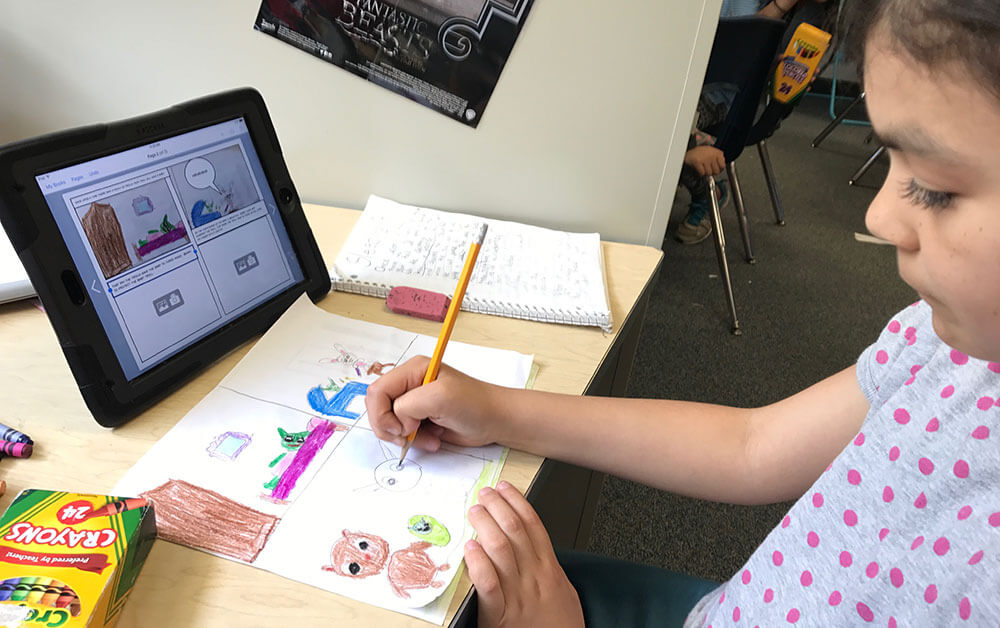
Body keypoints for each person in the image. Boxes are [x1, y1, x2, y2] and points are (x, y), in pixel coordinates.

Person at [365, 0, 1000, 624]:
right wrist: (496, 408)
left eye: (934, 187)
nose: (878, 216)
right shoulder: (945, 344)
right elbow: (754, 446)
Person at [675, 0, 822, 244]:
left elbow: (734, 50)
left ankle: (705, 188)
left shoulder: (812, 19)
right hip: (680, 77)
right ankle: (689, 147)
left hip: (723, 96)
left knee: (669, 131)